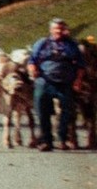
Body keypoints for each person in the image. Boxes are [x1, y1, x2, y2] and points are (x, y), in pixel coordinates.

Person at [28, 16, 82, 150]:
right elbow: (32, 61)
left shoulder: (71, 44)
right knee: (41, 110)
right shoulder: (42, 43)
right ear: (51, 30)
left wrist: (78, 81)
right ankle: (46, 140)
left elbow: (80, 65)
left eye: (61, 28)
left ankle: (62, 138)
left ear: (65, 30)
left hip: (65, 83)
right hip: (44, 81)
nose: (58, 31)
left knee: (67, 111)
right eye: (56, 28)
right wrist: (32, 70)